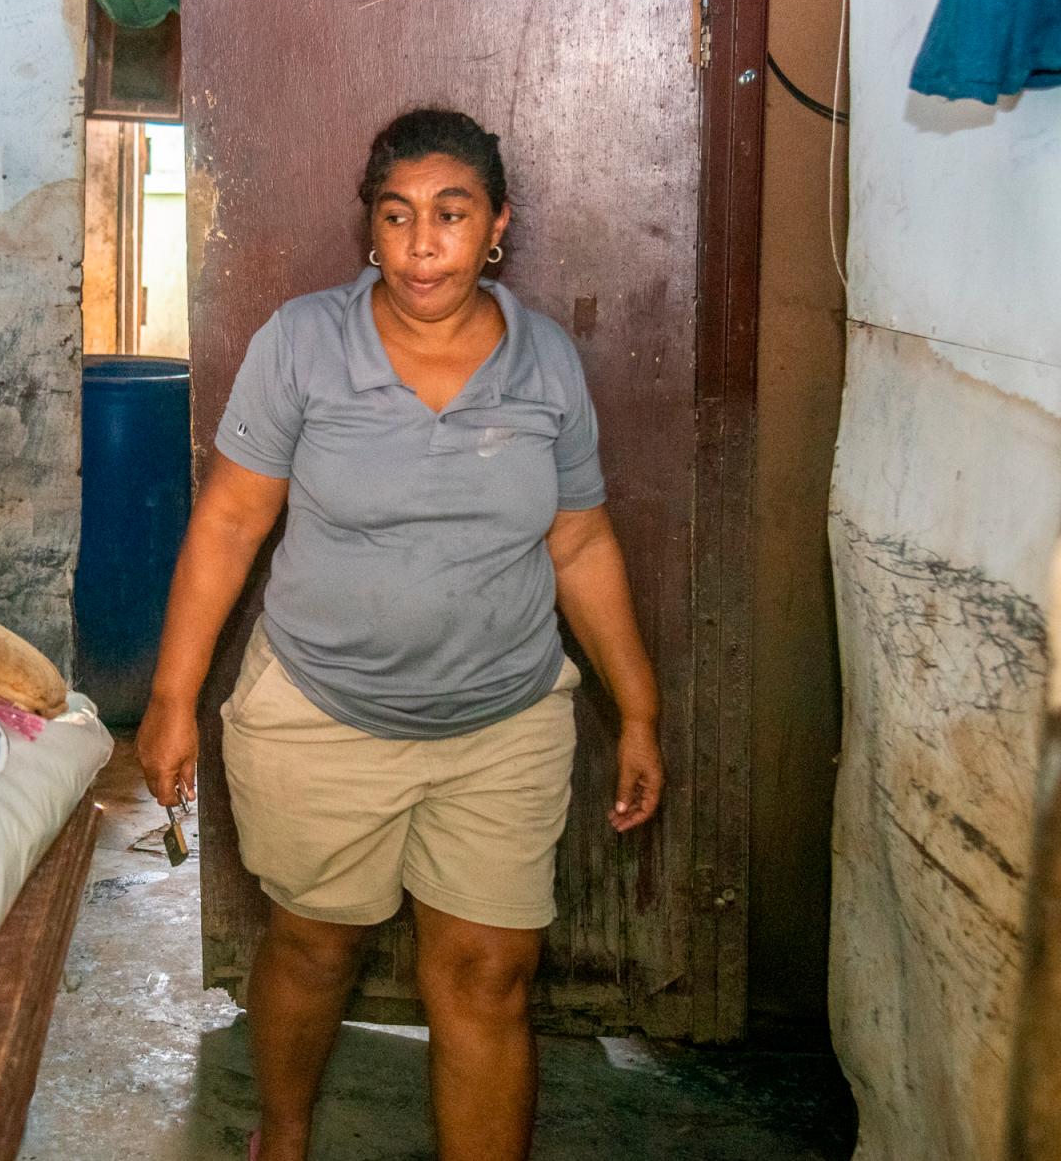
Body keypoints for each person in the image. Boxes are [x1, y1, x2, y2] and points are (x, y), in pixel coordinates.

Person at [136, 109, 665, 1161]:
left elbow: (578, 543)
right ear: (369, 230)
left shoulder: (545, 364)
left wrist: (639, 709)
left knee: (487, 975)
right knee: (314, 948)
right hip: (321, 713)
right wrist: (170, 699)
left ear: (497, 226)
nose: (423, 244)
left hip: (502, 722)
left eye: (451, 214)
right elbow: (230, 523)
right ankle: (284, 1134)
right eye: (397, 215)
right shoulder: (303, 344)